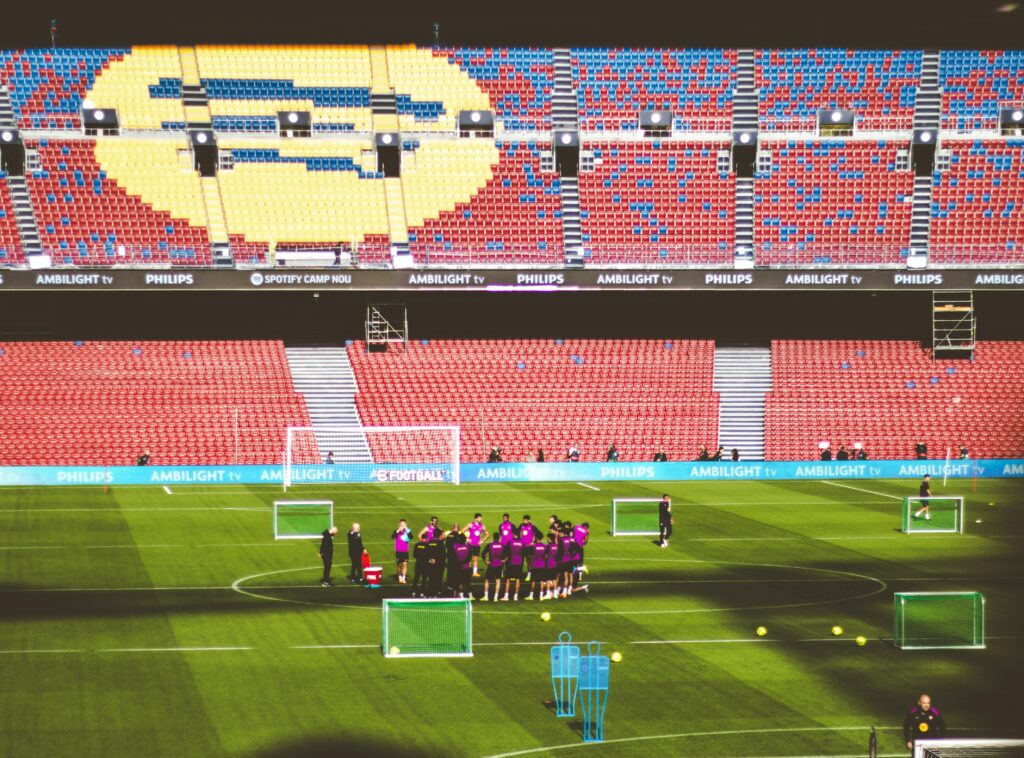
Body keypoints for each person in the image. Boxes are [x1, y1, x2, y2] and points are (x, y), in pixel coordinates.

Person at [502, 529, 526, 601]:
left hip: (511, 563)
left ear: (513, 534)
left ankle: (506, 596)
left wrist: (504, 560)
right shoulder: (522, 542)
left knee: (508, 579)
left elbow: (507, 553)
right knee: (518, 579)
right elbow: (524, 553)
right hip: (519, 563)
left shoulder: (510, 542)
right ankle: (516, 596)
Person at [480, 533, 506, 601]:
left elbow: (483, 554)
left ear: (493, 538)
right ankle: (495, 597)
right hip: (499, 565)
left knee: (487, 580)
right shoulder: (502, 545)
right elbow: (508, 554)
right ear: (499, 538)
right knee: (498, 581)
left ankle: (486, 596)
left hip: (491, 565)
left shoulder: (490, 545)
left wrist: (485, 562)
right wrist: (504, 560)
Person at [392, 519, 413, 584]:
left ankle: (403, 578)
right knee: (399, 565)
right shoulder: (396, 530)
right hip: (398, 550)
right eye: (401, 524)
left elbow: (411, 537)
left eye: (404, 524)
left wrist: (406, 529)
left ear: (406, 524)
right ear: (399, 524)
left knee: (405, 564)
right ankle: (399, 576)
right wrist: (398, 531)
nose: (402, 525)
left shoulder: (408, 531)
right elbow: (393, 536)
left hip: (405, 550)